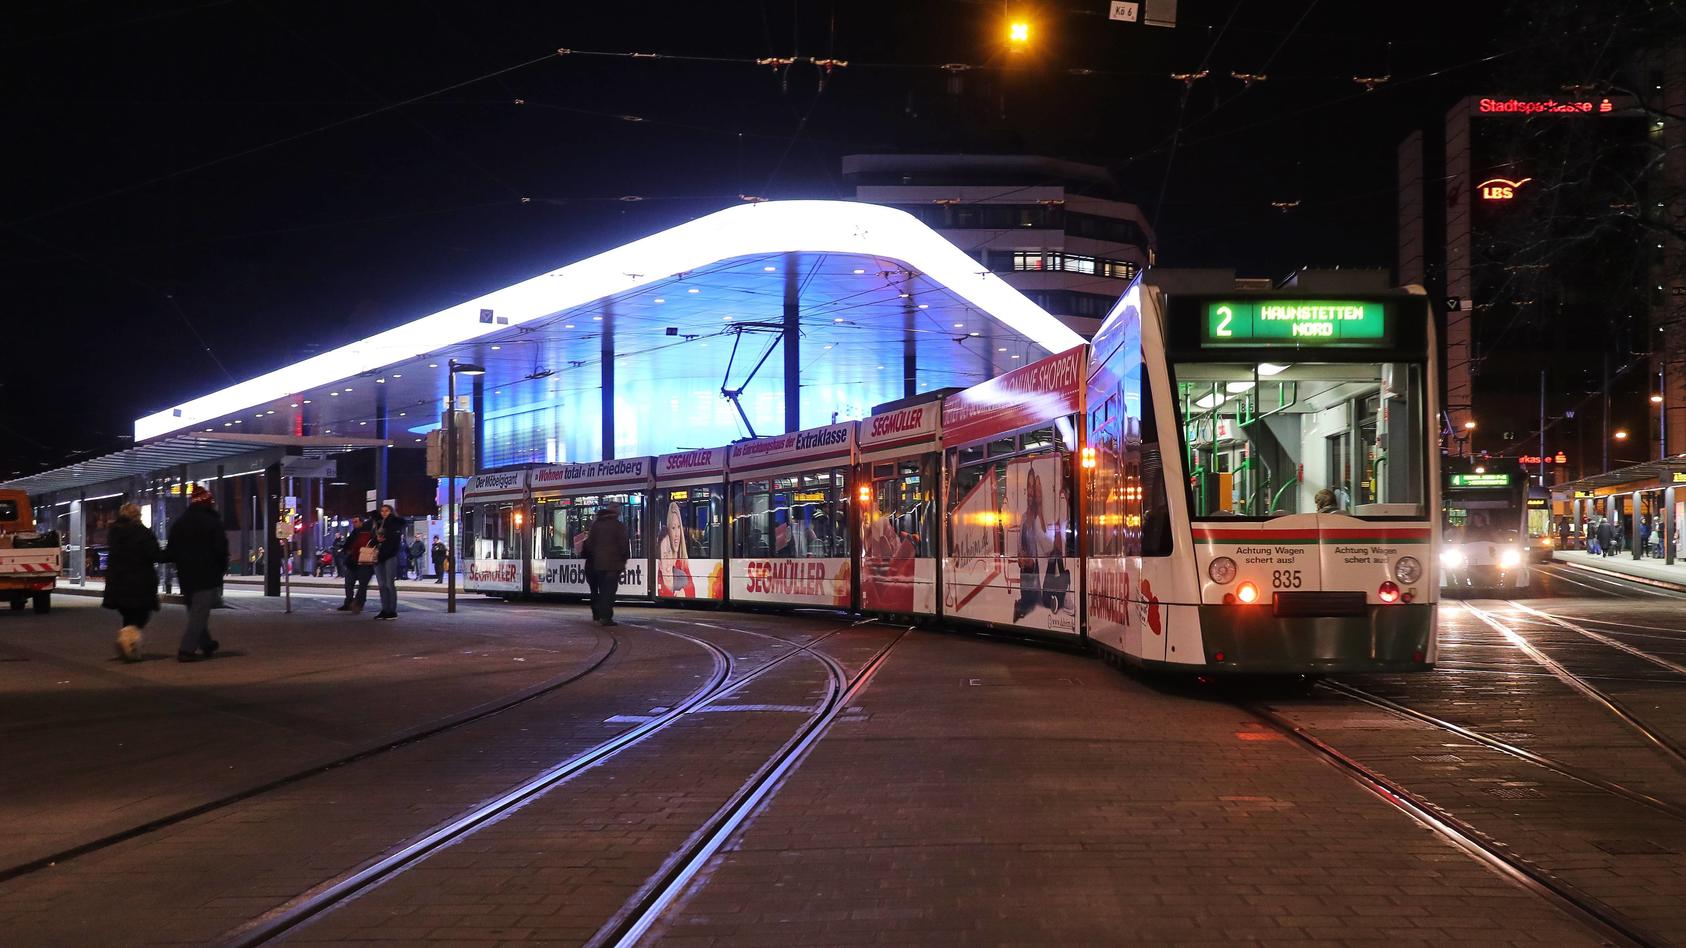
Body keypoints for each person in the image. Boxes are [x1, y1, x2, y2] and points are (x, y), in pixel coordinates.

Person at [165, 486, 229, 662]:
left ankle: (206, 643)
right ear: (208, 503)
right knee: (199, 614)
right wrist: (220, 569)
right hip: (206, 575)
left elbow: (171, 552)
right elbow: (220, 550)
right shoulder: (212, 523)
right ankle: (186, 650)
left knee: (196, 611)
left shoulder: (180, 523)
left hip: (186, 576)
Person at [104, 502, 162, 661]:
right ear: (137, 515)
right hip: (139, 582)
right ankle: (127, 642)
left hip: (118, 582)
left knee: (128, 614)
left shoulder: (115, 533)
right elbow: (155, 554)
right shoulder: (142, 533)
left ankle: (127, 644)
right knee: (141, 616)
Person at [581, 504, 630, 626]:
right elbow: (624, 546)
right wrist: (623, 560)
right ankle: (606, 617)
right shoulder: (618, 526)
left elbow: (589, 544)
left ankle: (599, 614)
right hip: (613, 565)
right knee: (609, 591)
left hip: (598, 565)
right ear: (616, 513)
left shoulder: (596, 525)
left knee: (602, 590)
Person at [372, 503, 405, 620]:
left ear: (391, 512)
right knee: (382, 585)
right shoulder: (379, 523)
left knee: (389, 583)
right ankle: (385, 609)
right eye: (382, 511)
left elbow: (394, 540)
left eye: (387, 510)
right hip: (378, 555)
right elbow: (373, 538)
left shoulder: (394, 523)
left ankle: (392, 610)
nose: (384, 513)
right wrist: (377, 539)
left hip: (389, 555)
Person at [338, 515, 377, 612]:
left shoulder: (367, 533)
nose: (354, 524)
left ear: (361, 522)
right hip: (353, 562)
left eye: (356, 522)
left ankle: (357, 604)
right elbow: (347, 545)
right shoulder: (354, 533)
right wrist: (347, 551)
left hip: (364, 562)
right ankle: (349, 603)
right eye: (353, 522)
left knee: (362, 585)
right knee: (349, 584)